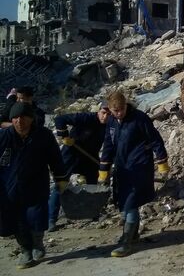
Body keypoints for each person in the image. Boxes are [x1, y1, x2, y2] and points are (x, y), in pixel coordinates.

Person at [99, 91, 169, 257]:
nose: (120, 113)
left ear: (126, 105)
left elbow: (155, 139)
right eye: (116, 111)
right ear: (110, 109)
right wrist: (104, 169)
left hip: (139, 167)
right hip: (122, 168)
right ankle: (133, 234)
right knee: (125, 202)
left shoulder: (139, 118)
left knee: (130, 202)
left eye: (122, 109)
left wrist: (162, 162)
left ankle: (127, 243)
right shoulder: (111, 121)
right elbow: (108, 145)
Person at [0, 103, 68, 269]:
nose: (19, 121)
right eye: (15, 118)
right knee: (16, 220)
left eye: (23, 117)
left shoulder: (43, 135)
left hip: (36, 183)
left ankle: (38, 243)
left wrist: (60, 178)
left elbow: (55, 158)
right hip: (10, 186)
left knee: (36, 216)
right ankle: (25, 250)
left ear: (31, 119)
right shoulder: (4, 137)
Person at [48, 102, 111, 231]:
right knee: (60, 185)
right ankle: (50, 219)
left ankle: (94, 213)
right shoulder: (86, 118)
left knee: (94, 184)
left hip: (90, 157)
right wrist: (64, 135)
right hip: (71, 154)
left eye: (109, 114)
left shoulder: (111, 125)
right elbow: (60, 119)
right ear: (98, 111)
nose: (105, 117)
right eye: (103, 113)